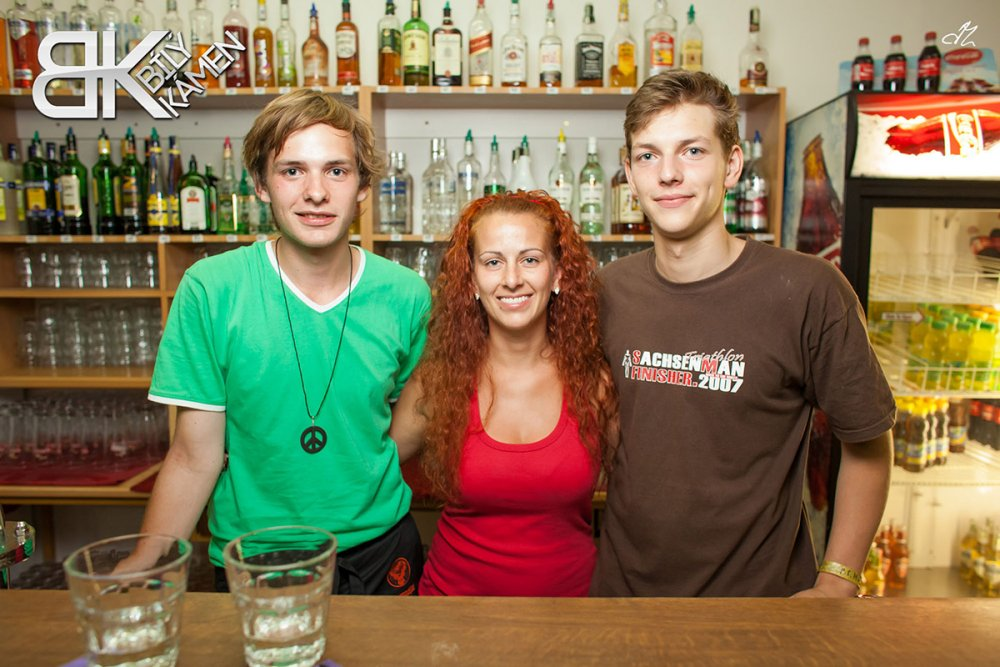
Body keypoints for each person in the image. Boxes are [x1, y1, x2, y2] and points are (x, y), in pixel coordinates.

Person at [591, 71, 895, 598]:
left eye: (692, 151)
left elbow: (868, 442)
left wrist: (838, 580)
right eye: (648, 155)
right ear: (630, 174)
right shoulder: (606, 291)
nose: (668, 174)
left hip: (760, 608)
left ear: (732, 165)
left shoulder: (809, 291)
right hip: (624, 600)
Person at [140, 90, 431, 595]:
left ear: (363, 186)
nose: (316, 192)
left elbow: (409, 428)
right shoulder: (211, 289)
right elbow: (193, 456)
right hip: (257, 555)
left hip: (381, 548)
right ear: (260, 184)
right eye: (292, 170)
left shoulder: (407, 294)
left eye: (336, 171)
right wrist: (145, 561)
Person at [390, 190, 617, 596]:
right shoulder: (439, 381)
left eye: (530, 259)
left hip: (573, 615)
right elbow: (375, 468)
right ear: (472, 281)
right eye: (493, 262)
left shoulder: (594, 382)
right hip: (451, 616)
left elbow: (639, 492)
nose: (512, 279)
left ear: (558, 274)